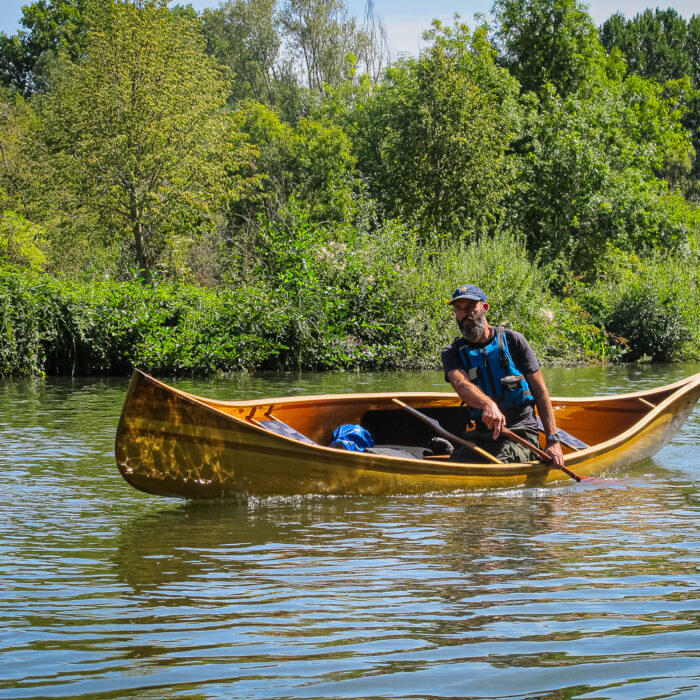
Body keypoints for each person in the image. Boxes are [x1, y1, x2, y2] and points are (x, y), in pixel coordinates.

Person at [441, 284, 565, 467]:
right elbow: (461, 384)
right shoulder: (452, 352)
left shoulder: (514, 341)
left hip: (521, 432)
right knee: (455, 467)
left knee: (502, 463)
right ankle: (452, 452)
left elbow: (540, 392)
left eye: (470, 308)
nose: (464, 314)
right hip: (482, 435)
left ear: (484, 308)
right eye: (459, 309)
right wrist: (487, 403)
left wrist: (553, 441)